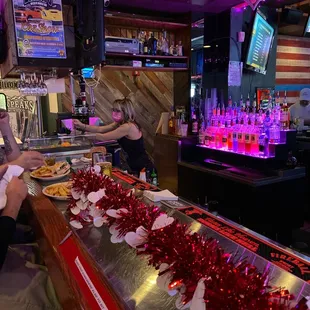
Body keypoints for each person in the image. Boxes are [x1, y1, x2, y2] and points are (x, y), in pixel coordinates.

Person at [73, 97, 155, 173]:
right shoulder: (119, 123)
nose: (114, 113)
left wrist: (84, 136)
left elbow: (103, 137)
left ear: (125, 112)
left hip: (143, 167)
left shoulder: (127, 127)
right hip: (133, 165)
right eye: (113, 110)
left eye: (117, 111)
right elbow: (100, 129)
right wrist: (82, 126)